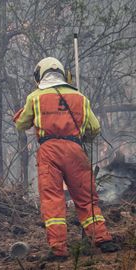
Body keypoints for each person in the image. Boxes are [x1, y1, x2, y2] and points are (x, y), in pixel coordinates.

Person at [13, 57, 120, 261]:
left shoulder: (35, 97)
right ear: (63, 74)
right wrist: (80, 136)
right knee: (86, 197)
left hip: (49, 150)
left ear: (40, 75)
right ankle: (103, 240)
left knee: (52, 199)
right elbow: (94, 129)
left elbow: (21, 124)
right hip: (75, 149)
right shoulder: (80, 97)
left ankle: (59, 249)